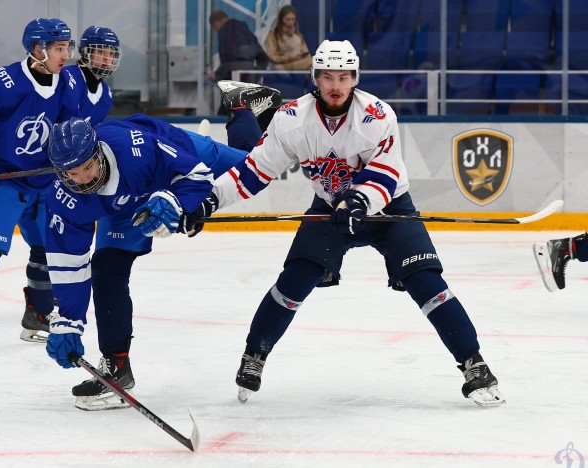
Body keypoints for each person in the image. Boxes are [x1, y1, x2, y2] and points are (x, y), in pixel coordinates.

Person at [185, 40, 506, 407]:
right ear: (315, 79)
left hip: (387, 210)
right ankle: (254, 355)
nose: (335, 85)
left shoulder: (378, 115)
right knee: (293, 282)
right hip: (329, 210)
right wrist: (208, 200)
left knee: (427, 282)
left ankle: (473, 363)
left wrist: (357, 200)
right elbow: (255, 171)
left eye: (343, 77)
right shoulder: (292, 119)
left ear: (355, 78)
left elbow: (386, 174)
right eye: (327, 77)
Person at [42, 91, 280, 410]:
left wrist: (176, 201)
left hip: (175, 158)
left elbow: (195, 175)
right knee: (107, 268)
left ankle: (241, 107)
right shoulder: (64, 199)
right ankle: (117, 366)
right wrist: (68, 321)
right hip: (126, 201)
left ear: (97, 151)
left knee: (254, 171)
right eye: (72, 174)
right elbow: (69, 264)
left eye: (87, 167)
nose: (83, 180)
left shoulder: (134, 149)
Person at [0, 25, 122, 344]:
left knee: (50, 244)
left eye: (66, 47)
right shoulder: (4, 83)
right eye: (58, 48)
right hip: (3, 177)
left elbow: (71, 132)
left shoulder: (69, 85)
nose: (64, 55)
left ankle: (38, 314)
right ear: (37, 49)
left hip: (46, 180)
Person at [205, 10, 269, 85]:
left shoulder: (224, 31)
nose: (215, 30)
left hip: (235, 79)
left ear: (217, 23)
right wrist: (256, 74)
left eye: (214, 27)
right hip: (250, 77)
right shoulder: (247, 32)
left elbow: (228, 61)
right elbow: (264, 58)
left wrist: (217, 75)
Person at [264, 5, 312, 71]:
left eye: (293, 19)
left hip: (299, 62)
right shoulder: (273, 35)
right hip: (282, 65)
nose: (291, 22)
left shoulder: (299, 35)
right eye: (287, 19)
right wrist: (290, 58)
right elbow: (272, 56)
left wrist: (303, 56)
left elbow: (306, 52)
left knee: (318, 62)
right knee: (315, 62)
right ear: (281, 20)